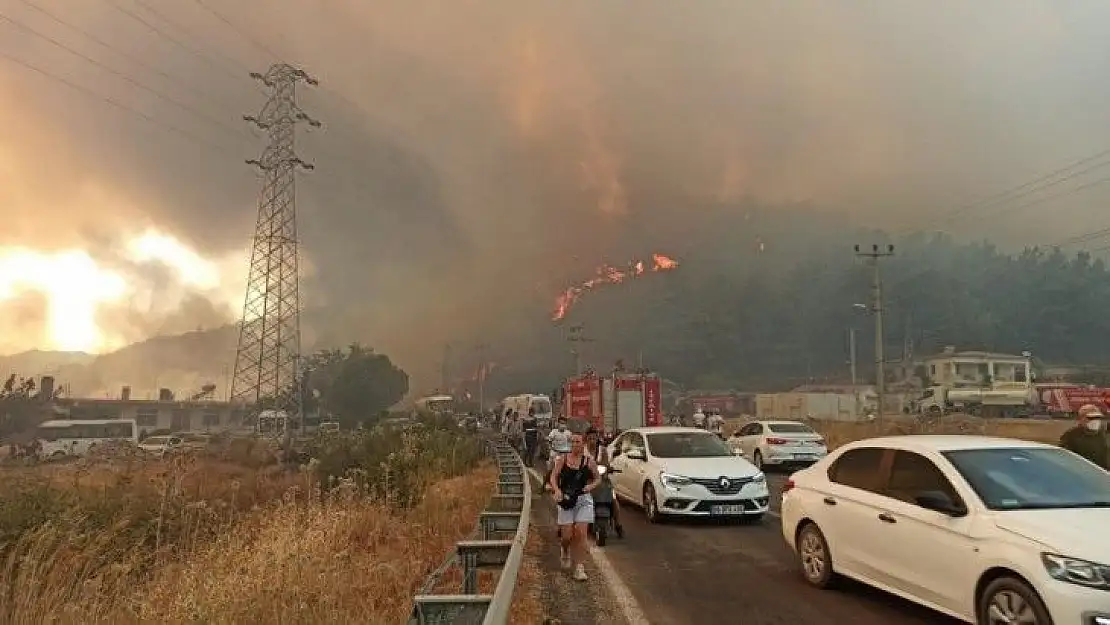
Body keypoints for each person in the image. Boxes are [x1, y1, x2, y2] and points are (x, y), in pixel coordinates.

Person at [549, 432, 601, 581]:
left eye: (577, 442)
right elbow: (554, 476)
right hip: (566, 501)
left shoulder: (589, 461)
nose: (574, 445)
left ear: (583, 443)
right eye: (572, 442)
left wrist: (590, 486)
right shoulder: (562, 460)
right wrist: (557, 490)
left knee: (580, 533)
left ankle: (579, 567)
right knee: (567, 536)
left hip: (583, 500)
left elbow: (598, 478)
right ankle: (565, 550)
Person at [584, 427, 623, 536]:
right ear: (586, 439)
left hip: (603, 480)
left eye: (594, 438)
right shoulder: (583, 451)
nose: (592, 441)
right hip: (586, 481)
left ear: (597, 438)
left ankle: (618, 525)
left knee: (614, 500)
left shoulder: (603, 450)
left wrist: (608, 468)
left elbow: (606, 463)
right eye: (590, 438)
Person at [1060, 404, 1110, 469]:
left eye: (1097, 418)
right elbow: (1064, 456)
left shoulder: (1106, 433)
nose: (1095, 421)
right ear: (1081, 419)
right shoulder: (1071, 435)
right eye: (1091, 418)